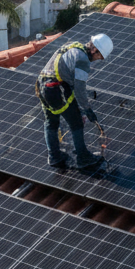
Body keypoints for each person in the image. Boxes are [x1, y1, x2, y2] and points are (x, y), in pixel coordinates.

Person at [36, 33, 113, 170]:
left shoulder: (73, 45)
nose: (98, 60)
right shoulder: (83, 60)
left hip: (42, 86)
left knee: (51, 122)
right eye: (99, 57)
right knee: (76, 122)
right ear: (94, 49)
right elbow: (79, 88)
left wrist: (80, 107)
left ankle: (54, 156)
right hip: (56, 90)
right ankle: (83, 158)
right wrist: (87, 109)